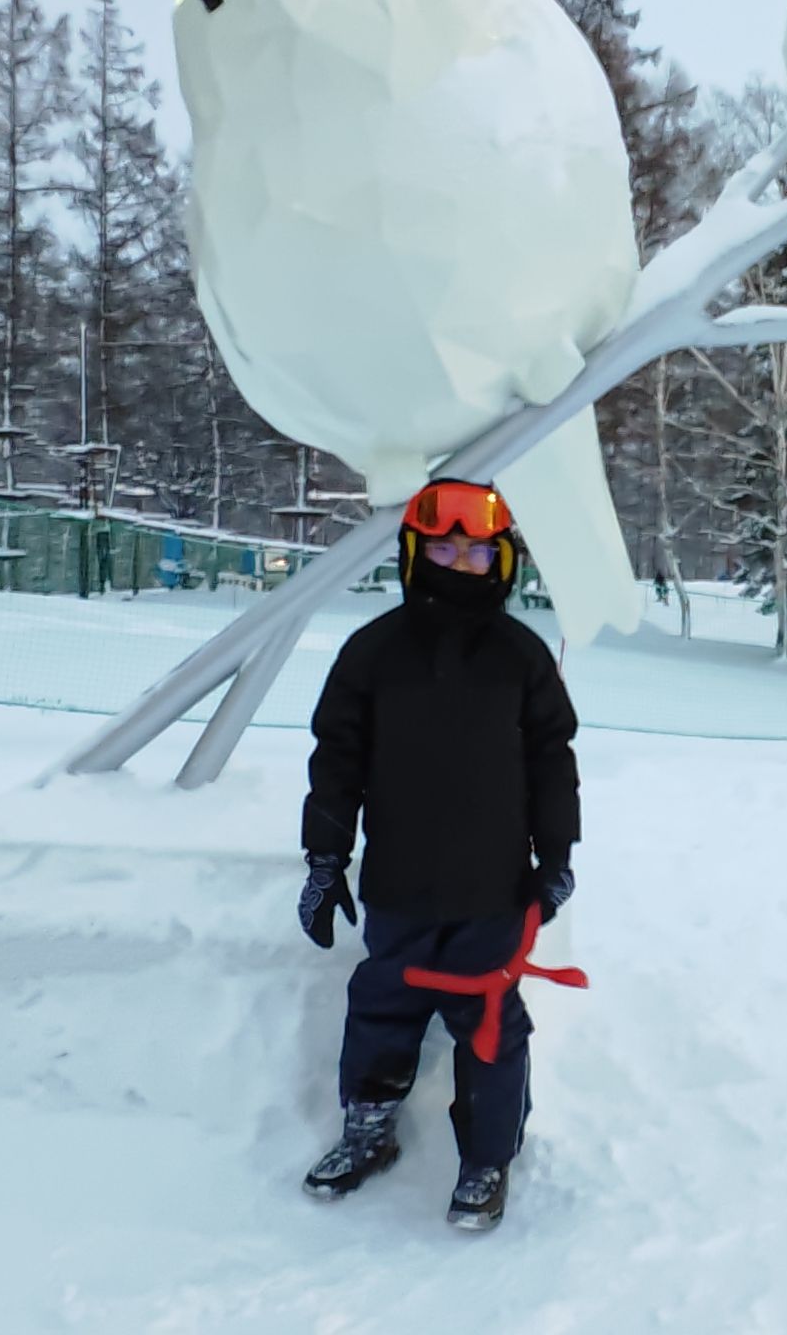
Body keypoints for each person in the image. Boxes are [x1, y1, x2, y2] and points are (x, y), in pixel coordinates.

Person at [296, 478, 579, 1231]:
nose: (463, 563)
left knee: (488, 1023)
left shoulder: (522, 657)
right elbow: (338, 757)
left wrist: (556, 857)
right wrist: (326, 858)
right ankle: (369, 1129)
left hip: (492, 889)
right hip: (398, 886)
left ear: (504, 561)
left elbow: (554, 759)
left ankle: (487, 1157)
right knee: (381, 1009)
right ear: (416, 552)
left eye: (479, 551)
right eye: (447, 548)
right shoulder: (373, 651)